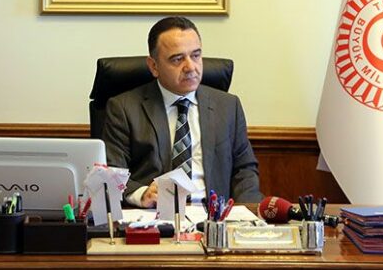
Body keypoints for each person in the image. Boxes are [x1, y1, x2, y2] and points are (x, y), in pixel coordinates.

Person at [102, 17, 263, 208]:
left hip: (213, 216)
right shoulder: (124, 108)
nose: (190, 67)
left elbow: (244, 170)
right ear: (154, 66)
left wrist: (246, 213)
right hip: (155, 216)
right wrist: (143, 194)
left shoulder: (228, 106)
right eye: (177, 59)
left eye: (195, 56)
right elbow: (111, 173)